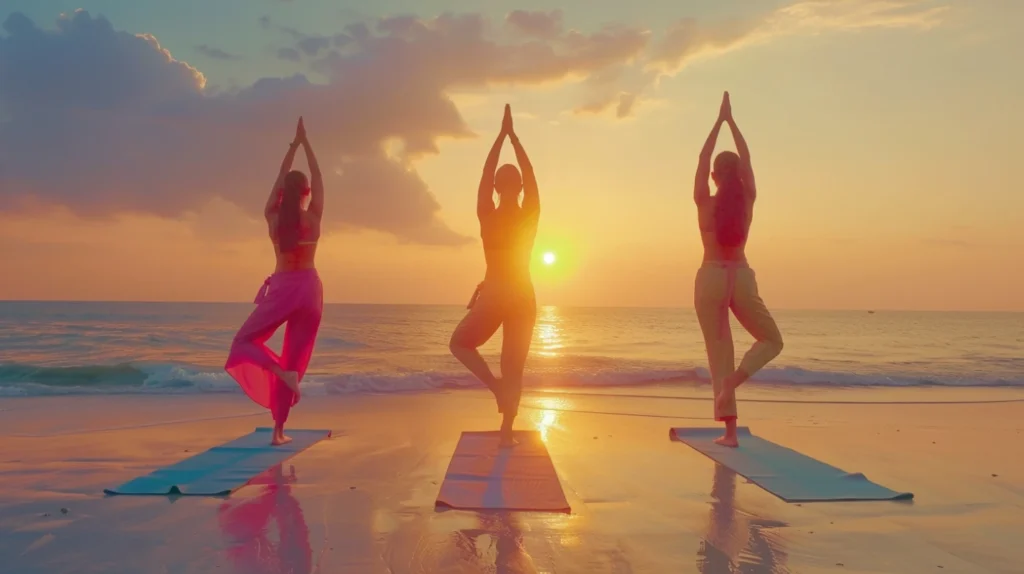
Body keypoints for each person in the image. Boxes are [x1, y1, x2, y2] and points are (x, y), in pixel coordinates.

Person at [225, 117, 325, 446]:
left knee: (243, 342)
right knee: (294, 359)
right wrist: (306, 144)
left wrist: (292, 147)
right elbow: (319, 176)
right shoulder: (314, 217)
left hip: (284, 286)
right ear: (307, 193)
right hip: (310, 289)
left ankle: (280, 380)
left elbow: (279, 180)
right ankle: (278, 431)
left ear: (284, 193)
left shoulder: (272, 218)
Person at [693, 92, 784, 447]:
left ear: (714, 176)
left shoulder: (704, 201)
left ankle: (729, 430)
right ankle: (735, 383)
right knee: (772, 340)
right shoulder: (747, 201)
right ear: (740, 177)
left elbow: (702, 159)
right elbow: (747, 159)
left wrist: (718, 122)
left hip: (710, 277)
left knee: (720, 353)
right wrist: (733, 123)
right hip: (741, 277)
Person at [450, 104, 540, 448]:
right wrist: (514, 139)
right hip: (522, 291)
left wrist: (499, 138)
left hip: (496, 289)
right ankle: (506, 433)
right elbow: (530, 175)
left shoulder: (487, 213)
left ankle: (495, 387)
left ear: (498, 187)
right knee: (513, 365)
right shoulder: (529, 214)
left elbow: (484, 176)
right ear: (517, 188)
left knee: (460, 342)